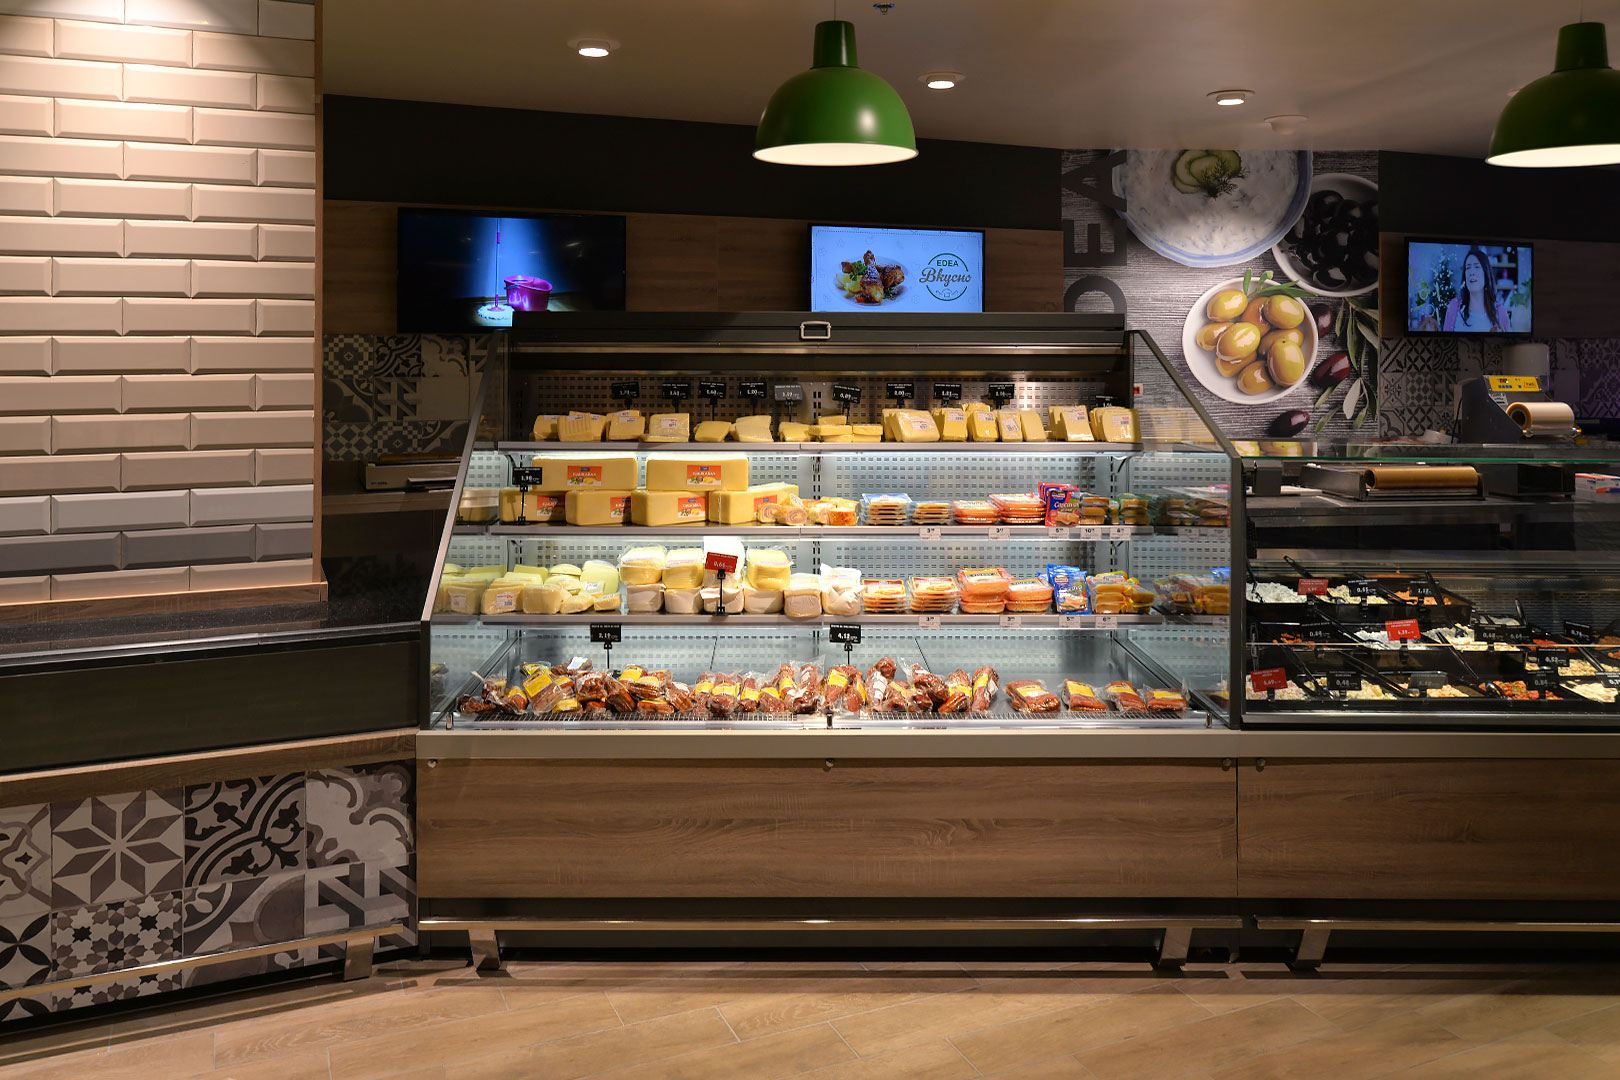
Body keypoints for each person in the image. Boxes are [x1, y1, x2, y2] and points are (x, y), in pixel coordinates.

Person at [1443, 247, 1510, 332]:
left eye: (1477, 267)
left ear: (1486, 273)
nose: (1471, 272)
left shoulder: (1500, 312)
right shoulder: (1454, 306)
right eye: (1468, 268)